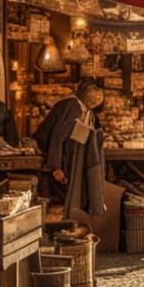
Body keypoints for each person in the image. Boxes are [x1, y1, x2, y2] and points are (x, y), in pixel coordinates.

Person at [34, 79, 106, 218]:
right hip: (49, 150)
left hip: (68, 155)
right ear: (86, 91)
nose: (99, 96)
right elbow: (57, 137)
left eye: (100, 92)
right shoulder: (72, 105)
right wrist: (56, 167)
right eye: (95, 90)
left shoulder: (88, 112)